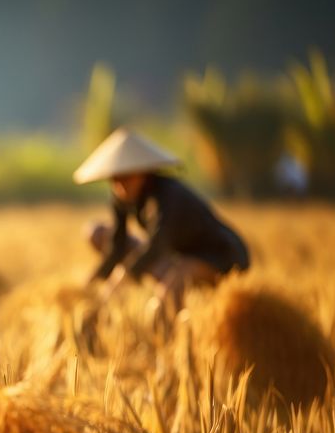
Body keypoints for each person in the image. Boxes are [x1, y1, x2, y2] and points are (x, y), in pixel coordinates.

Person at [75, 128, 250, 311]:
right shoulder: (122, 198)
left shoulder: (167, 194)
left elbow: (157, 244)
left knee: (162, 302)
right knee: (97, 232)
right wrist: (90, 285)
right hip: (180, 256)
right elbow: (117, 246)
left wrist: (124, 276)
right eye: (115, 178)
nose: (120, 185)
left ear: (143, 171)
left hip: (218, 255)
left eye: (126, 177)